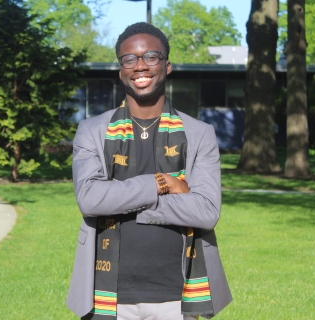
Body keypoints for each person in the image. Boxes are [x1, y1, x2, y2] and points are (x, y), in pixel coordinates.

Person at [66, 22, 232, 320]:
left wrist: (121, 197)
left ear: (166, 65)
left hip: (177, 295)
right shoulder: (91, 131)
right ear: (121, 70)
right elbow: (90, 199)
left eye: (150, 57)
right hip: (108, 294)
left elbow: (206, 211)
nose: (139, 65)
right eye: (129, 59)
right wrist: (161, 183)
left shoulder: (200, 133)